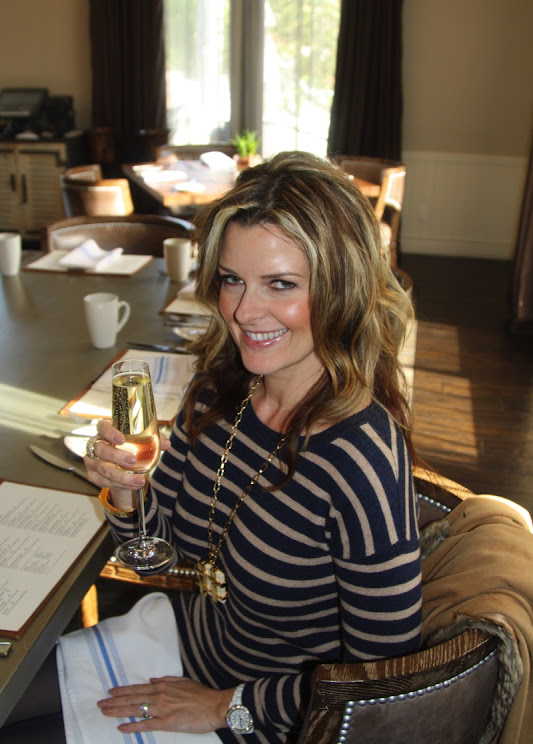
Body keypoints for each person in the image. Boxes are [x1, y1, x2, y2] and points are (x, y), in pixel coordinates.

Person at [1, 151, 422, 744]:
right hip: (182, 645)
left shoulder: (361, 458)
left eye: (281, 284)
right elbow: (160, 556)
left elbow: (383, 682)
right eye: (231, 279)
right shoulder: (219, 392)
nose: (244, 311)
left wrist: (225, 707)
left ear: (342, 290)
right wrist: (125, 494)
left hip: (264, 715)